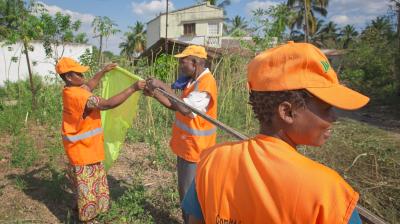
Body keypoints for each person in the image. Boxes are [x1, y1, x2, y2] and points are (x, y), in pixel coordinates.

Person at [182, 41, 369, 224]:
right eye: (327, 108)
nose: (334, 118)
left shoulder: (212, 160)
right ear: (287, 112)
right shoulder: (328, 193)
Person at [55, 57, 145, 222]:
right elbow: (107, 104)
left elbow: (88, 86)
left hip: (86, 148)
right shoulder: (80, 97)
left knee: (85, 187)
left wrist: (103, 71)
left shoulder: (71, 90)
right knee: (88, 190)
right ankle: (88, 219)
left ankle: (80, 208)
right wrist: (133, 88)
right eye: (79, 73)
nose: (84, 74)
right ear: (68, 77)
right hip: (83, 151)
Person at [145, 45, 218, 223]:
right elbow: (175, 105)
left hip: (196, 149)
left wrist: (161, 85)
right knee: (185, 191)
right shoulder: (193, 81)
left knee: (189, 195)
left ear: (196, 63)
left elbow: (185, 108)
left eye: (183, 62)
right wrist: (155, 94)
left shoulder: (205, 83)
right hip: (187, 146)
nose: (180, 65)